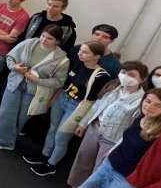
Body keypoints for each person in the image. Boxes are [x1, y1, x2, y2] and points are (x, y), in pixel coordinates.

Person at [57, 61, 149, 188]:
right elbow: (97, 106)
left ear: (142, 79)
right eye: (124, 72)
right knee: (83, 159)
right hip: (95, 127)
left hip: (113, 138)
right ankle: (76, 187)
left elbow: (133, 129)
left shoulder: (141, 101)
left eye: (132, 75)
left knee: (99, 170)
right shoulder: (114, 88)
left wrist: (117, 147)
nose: (126, 77)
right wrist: (84, 123)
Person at [25, 41, 112, 176]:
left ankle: (51, 164)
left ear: (96, 56)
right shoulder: (77, 64)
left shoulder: (101, 77)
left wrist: (84, 122)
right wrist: (54, 97)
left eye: (85, 52)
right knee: (52, 128)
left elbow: (98, 102)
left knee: (61, 137)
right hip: (63, 98)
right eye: (80, 50)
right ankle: (44, 155)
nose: (79, 54)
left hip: (77, 106)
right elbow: (66, 83)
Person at [0, 0, 79, 118]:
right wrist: (14, 56)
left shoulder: (68, 29)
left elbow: (64, 52)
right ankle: (2, 111)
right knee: (11, 87)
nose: (50, 8)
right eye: (49, 4)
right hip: (23, 61)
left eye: (56, 6)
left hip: (42, 69)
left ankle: (21, 122)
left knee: (29, 99)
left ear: (63, 8)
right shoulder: (37, 18)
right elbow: (24, 37)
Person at [0, 24, 70, 151]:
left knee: (21, 117)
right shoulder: (29, 43)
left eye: (49, 38)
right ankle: (4, 140)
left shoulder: (62, 59)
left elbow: (59, 82)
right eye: (43, 36)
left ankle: (7, 140)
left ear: (58, 41)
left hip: (34, 91)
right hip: (16, 82)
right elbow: (10, 56)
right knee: (6, 112)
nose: (43, 40)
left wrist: (37, 80)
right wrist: (15, 67)